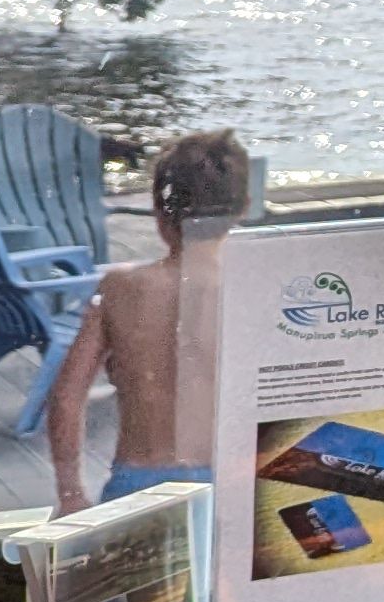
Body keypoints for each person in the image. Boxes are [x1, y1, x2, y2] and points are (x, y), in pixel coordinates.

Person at [44, 128, 253, 514]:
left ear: (159, 212)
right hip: (232, 482)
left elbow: (66, 396)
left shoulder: (122, 288)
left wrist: (70, 491)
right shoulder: (255, 289)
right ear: (244, 208)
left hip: (140, 481)